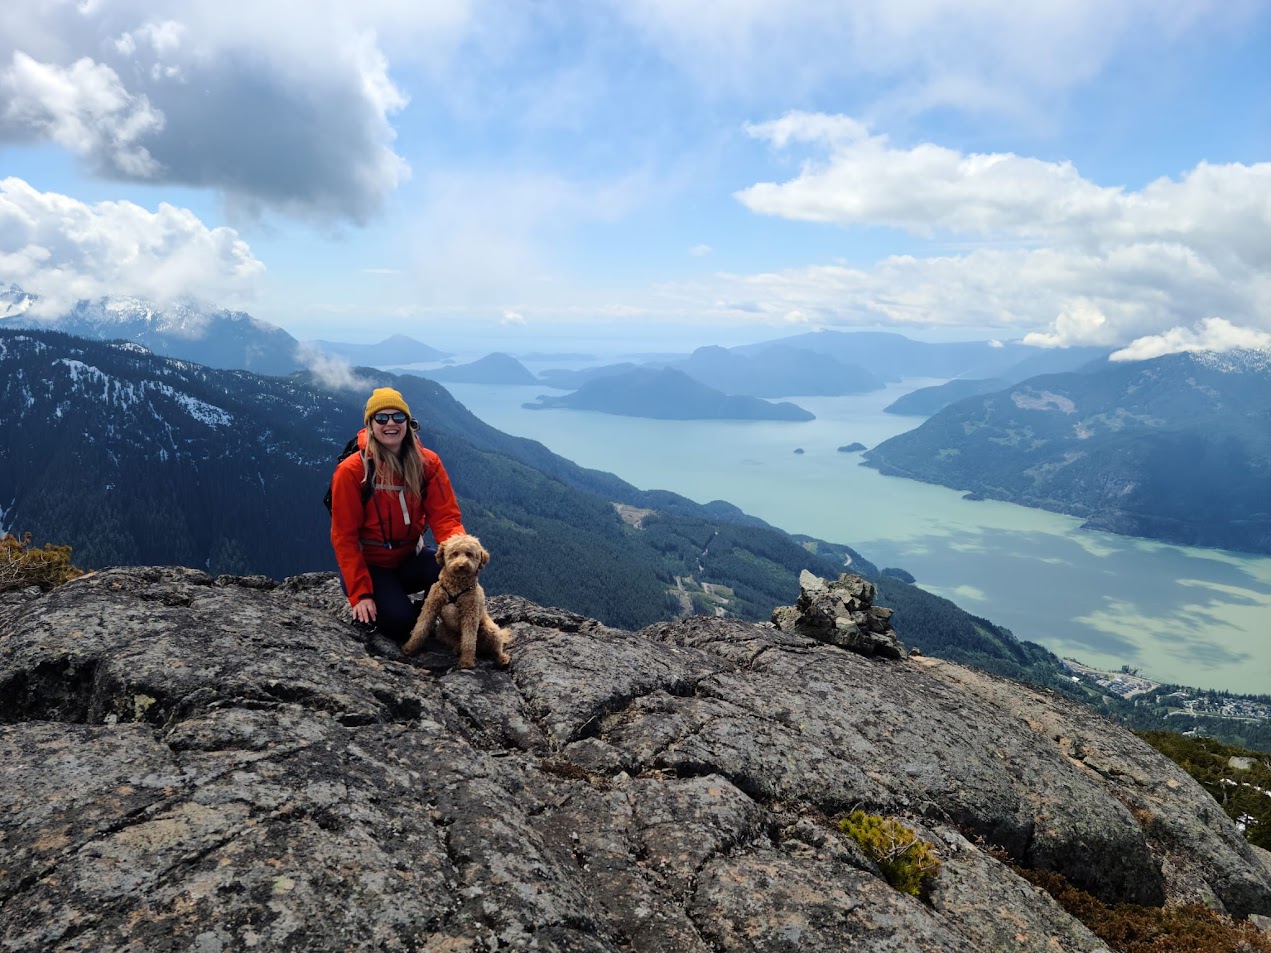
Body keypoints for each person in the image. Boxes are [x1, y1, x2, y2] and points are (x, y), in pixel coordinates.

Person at [329, 387, 466, 642]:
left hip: (409, 559)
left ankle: (426, 612)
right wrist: (361, 594)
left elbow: (445, 518)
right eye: (381, 418)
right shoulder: (352, 471)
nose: (390, 423)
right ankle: (406, 612)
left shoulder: (428, 463)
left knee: (457, 576)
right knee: (400, 625)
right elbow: (344, 537)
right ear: (370, 425)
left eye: (397, 417)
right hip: (373, 568)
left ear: (408, 423)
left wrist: (462, 555)